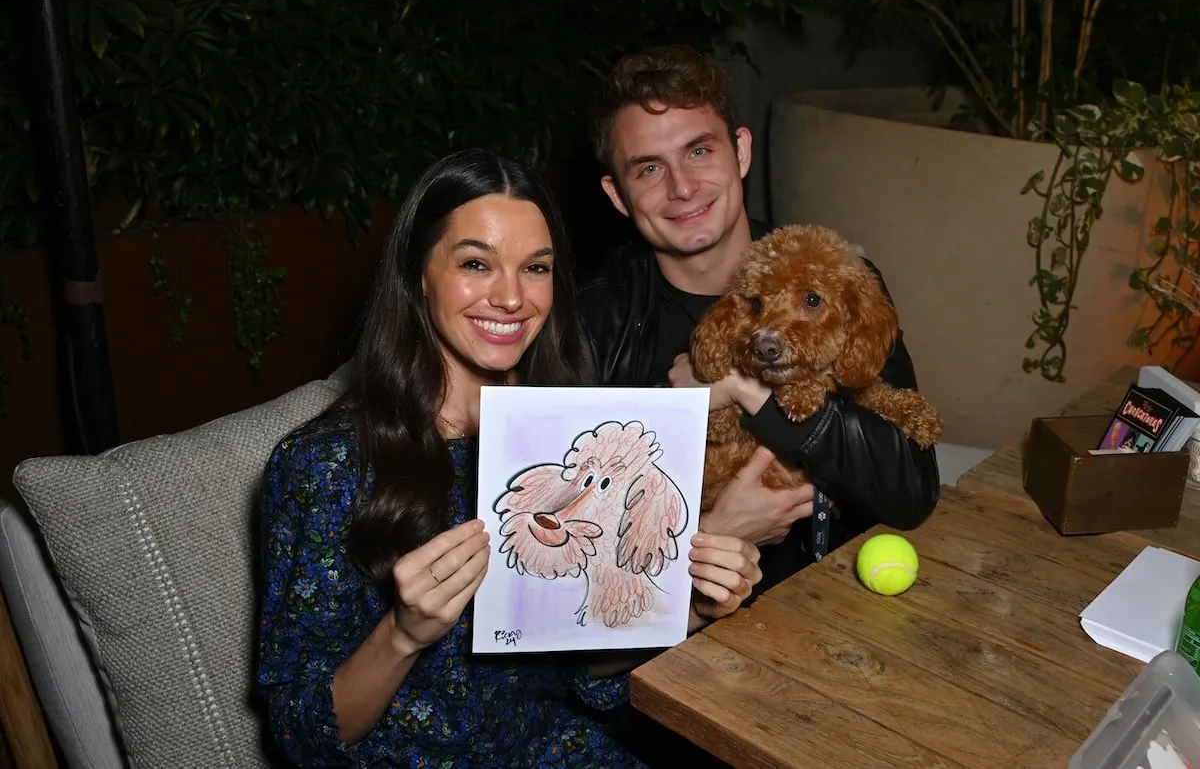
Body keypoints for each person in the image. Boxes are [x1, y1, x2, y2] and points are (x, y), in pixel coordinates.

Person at [254, 148, 763, 768]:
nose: (511, 298)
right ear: (419, 273)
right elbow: (305, 737)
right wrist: (404, 633)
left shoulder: (571, 431)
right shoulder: (325, 465)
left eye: (536, 268)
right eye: (476, 263)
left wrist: (689, 610)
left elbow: (579, 667)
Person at [577, 45, 940, 593]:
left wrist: (747, 392)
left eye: (699, 151)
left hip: (828, 599)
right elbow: (576, 565)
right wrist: (713, 534)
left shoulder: (836, 277)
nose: (681, 187)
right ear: (618, 196)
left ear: (740, 152)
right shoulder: (590, 321)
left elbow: (911, 489)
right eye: (649, 168)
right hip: (681, 644)